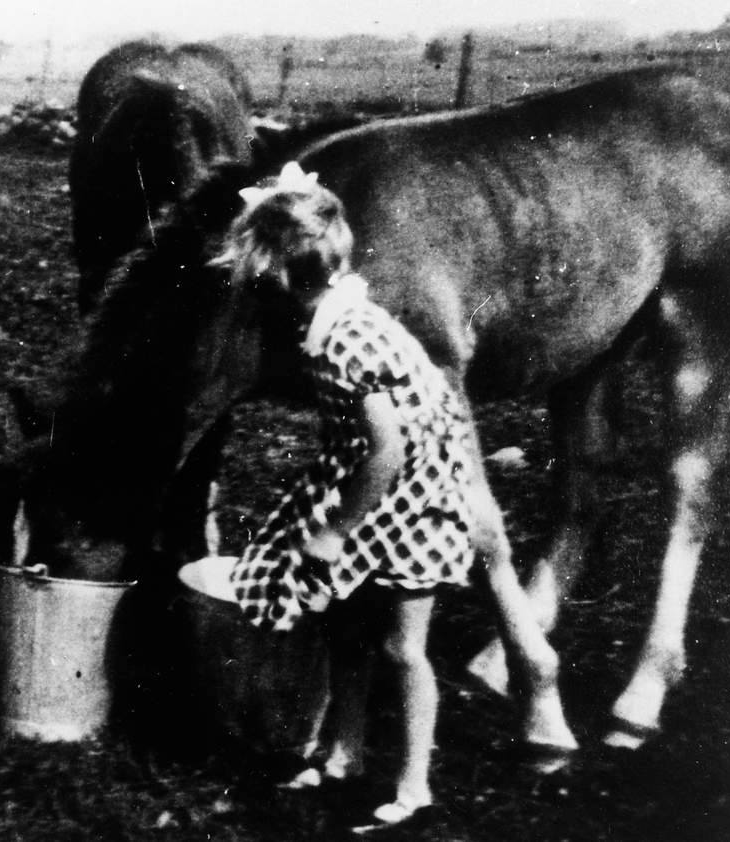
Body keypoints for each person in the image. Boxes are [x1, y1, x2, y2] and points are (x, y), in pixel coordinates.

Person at [219, 163, 574, 829]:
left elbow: (387, 447)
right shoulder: (341, 317)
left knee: (401, 648)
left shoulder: (344, 340)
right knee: (349, 634)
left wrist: (335, 527)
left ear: (279, 271)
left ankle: (414, 787)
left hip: (413, 500)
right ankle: (344, 755)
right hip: (385, 485)